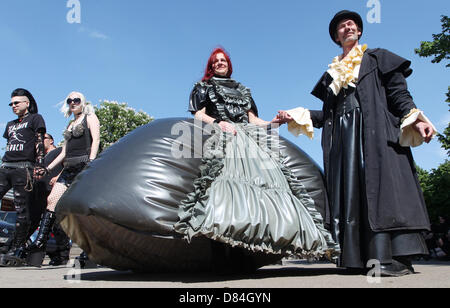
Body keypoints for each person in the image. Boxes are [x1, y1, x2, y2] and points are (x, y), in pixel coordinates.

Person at [277, 10, 436, 276]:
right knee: (351, 192)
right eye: (341, 26)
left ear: (359, 31)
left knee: (381, 190)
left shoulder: (377, 58)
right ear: (336, 37)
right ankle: (358, 258)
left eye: (351, 23)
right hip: (342, 139)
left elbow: (399, 94)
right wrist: (295, 115)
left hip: (373, 132)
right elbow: (329, 114)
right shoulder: (331, 74)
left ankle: (386, 259)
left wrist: (416, 118)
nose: (347, 27)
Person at [173, 47, 339, 273]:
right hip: (223, 135)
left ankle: (248, 252)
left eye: (223, 61)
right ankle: (219, 256)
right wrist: (218, 123)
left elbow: (254, 121)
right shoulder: (202, 87)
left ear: (229, 65)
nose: (220, 63)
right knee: (224, 191)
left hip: (250, 140)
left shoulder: (243, 90)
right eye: (216, 61)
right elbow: (198, 114)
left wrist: (276, 123)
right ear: (211, 66)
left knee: (267, 190)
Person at [27, 91, 100, 267]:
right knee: (51, 200)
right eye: (69, 100)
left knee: (83, 208)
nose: (73, 103)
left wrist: (91, 162)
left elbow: (96, 140)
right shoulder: (70, 124)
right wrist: (48, 168)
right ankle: (40, 243)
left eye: (76, 100)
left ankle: (89, 250)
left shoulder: (90, 117)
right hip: (69, 168)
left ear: (83, 102)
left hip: (84, 165)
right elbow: (64, 153)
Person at [0, 88, 46, 267]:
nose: (13, 105)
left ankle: (16, 249)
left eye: (16, 102)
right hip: (5, 167)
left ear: (27, 103)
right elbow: (9, 144)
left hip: (23, 168)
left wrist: (40, 164)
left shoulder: (36, 118)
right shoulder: (10, 124)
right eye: (11, 103)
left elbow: (39, 141)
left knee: (22, 210)